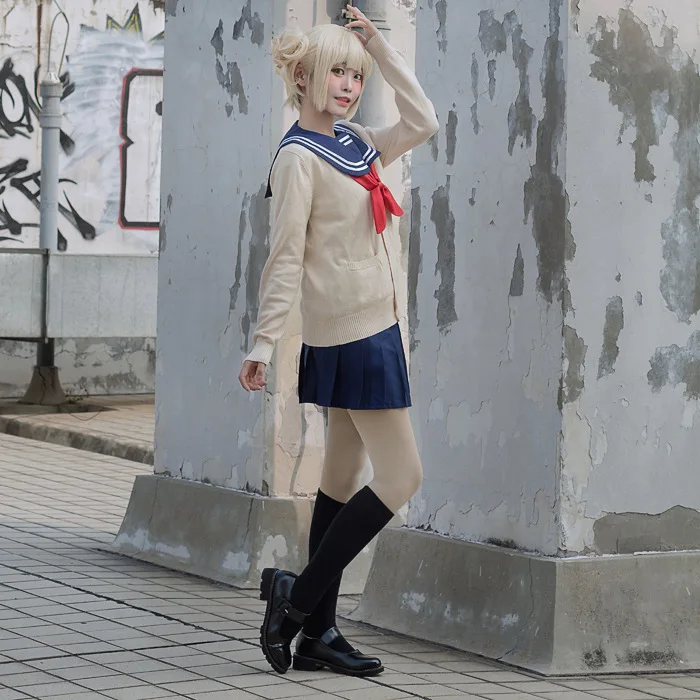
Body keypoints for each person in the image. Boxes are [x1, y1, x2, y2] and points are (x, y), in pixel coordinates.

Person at [238, 3, 439, 678]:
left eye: (355, 76)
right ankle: (296, 601)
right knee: (403, 477)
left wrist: (380, 49)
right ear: (303, 78)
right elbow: (285, 256)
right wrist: (263, 344)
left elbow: (423, 121)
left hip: (374, 327)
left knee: (341, 479)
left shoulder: (355, 142)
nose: (349, 86)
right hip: (353, 337)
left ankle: (319, 635)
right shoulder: (299, 157)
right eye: (337, 73)